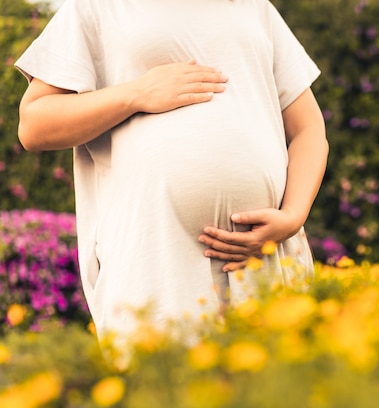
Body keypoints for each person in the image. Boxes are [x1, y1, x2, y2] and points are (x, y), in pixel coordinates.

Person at [15, 0, 328, 344]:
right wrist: (136, 93)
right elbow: (35, 125)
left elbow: (309, 130)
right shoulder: (98, 7)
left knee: (275, 390)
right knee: (162, 387)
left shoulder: (255, 8)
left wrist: (293, 216)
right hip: (156, 257)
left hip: (264, 255)